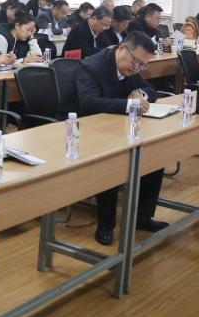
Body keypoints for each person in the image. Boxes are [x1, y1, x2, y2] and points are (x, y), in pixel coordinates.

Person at [60, 31, 168, 245]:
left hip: (111, 124)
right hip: (78, 129)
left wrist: (140, 94)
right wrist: (131, 104)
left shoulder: (130, 67)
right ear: (121, 49)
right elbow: (89, 103)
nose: (136, 68)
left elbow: (149, 89)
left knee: (153, 152)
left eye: (142, 65)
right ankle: (106, 224)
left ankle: (142, 216)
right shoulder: (91, 67)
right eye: (135, 62)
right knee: (112, 159)